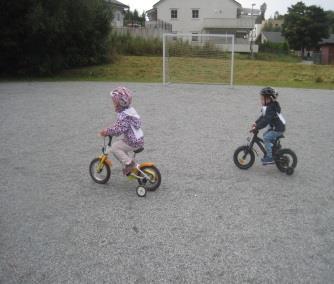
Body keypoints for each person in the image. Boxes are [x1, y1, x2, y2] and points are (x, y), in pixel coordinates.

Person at [100, 87, 144, 175]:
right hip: (138, 138)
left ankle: (130, 164)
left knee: (115, 147)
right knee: (121, 144)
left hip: (133, 141)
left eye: (114, 102)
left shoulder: (124, 115)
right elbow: (120, 125)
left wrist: (107, 131)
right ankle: (129, 164)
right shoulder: (129, 110)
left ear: (119, 103)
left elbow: (119, 129)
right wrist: (112, 128)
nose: (113, 103)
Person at [252, 87, 286, 165]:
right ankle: (275, 148)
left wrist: (257, 127)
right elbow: (263, 116)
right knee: (265, 135)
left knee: (266, 137)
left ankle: (270, 157)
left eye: (263, 99)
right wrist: (256, 123)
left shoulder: (271, 108)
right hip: (275, 127)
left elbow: (266, 120)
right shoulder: (268, 107)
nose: (261, 100)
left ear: (269, 99)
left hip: (278, 129)